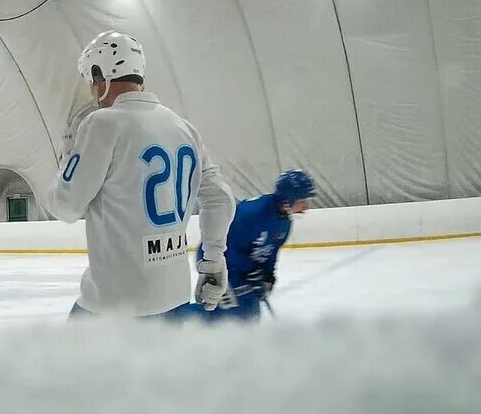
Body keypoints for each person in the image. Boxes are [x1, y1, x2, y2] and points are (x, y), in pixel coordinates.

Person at [42, 30, 235, 319]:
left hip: (114, 306)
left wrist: (67, 158)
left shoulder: (102, 124)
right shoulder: (183, 127)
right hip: (174, 299)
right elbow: (220, 198)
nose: (92, 92)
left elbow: (65, 206)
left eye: (91, 82)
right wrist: (213, 261)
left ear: (100, 76)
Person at [194, 169, 315, 322]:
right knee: (229, 312)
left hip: (241, 268)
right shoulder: (251, 214)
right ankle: (176, 318)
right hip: (216, 261)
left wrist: (268, 277)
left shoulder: (285, 222)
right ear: (289, 198)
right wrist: (250, 271)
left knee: (249, 312)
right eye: (302, 201)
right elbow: (226, 246)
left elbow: (270, 252)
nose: (306, 207)